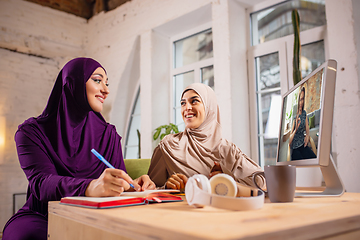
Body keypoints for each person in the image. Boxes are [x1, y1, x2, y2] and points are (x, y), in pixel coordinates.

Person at [2, 57, 155, 240]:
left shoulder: (109, 135)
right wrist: (90, 186)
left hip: (96, 215)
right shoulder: (31, 132)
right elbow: (42, 184)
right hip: (44, 216)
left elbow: (117, 181)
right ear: (72, 83)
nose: (106, 90)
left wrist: (133, 185)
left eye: (107, 83)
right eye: (97, 80)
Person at [148, 83, 265, 191]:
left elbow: (263, 181)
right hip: (183, 211)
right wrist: (167, 187)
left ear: (210, 107)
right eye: (183, 103)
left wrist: (229, 179)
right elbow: (148, 190)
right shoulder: (168, 146)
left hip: (225, 210)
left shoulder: (228, 149)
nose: (187, 108)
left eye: (194, 101)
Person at [289, 86, 317, 160]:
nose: (301, 102)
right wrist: (296, 129)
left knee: (314, 158)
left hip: (303, 146)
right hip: (295, 149)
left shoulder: (304, 113)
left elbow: (307, 128)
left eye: (303, 99)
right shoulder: (294, 115)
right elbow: (289, 141)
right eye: (300, 99)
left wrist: (307, 136)